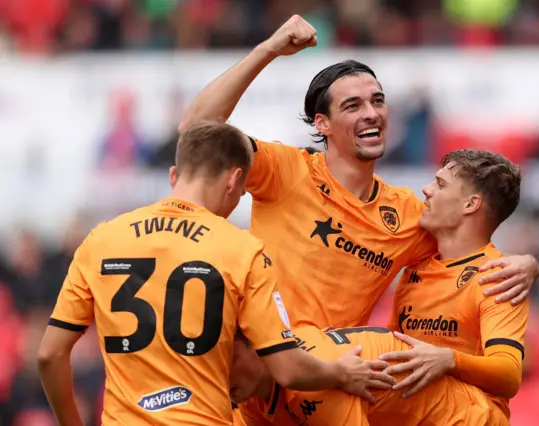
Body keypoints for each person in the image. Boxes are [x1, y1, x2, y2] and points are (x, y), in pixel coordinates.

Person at [178, 14, 539, 332]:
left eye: (377, 100)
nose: (371, 113)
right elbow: (197, 128)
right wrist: (268, 50)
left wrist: (526, 264)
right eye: (353, 105)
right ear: (324, 124)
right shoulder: (285, 169)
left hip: (325, 391)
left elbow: (473, 247)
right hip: (254, 380)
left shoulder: (409, 217)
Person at [36, 121, 395, 426]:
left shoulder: (101, 239)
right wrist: (341, 373)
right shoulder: (241, 249)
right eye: (241, 192)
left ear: (175, 175)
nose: (237, 199)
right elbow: (286, 369)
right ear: (235, 180)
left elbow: (50, 355)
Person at [380, 149, 528, 422]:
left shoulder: (498, 276)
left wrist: (449, 359)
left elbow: (509, 374)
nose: (426, 190)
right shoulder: (414, 270)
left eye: (440, 184)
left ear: (470, 205)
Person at [233, 326, 509, 426]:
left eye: (230, 359)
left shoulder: (318, 388)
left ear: (255, 344)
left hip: (466, 419)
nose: (219, 374)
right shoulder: (253, 396)